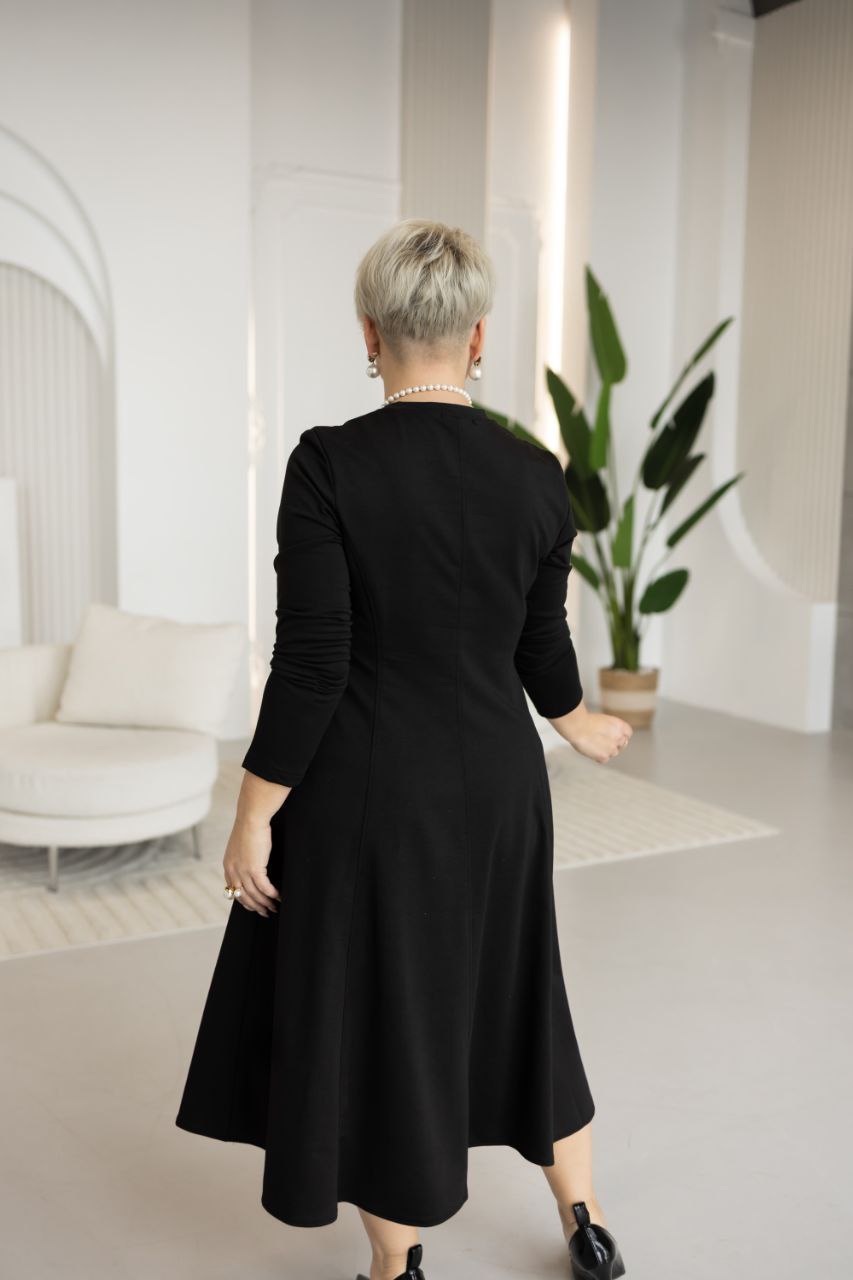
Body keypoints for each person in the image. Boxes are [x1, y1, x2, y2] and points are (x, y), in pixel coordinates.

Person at [175, 219, 632, 1280]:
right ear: (478, 337)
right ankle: (586, 1218)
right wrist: (571, 717)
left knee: (388, 1023)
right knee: (519, 994)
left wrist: (252, 812)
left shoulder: (329, 464)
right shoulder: (536, 474)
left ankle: (397, 1264)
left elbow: (313, 664)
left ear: (369, 333)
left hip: (371, 796)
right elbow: (538, 640)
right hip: (501, 792)